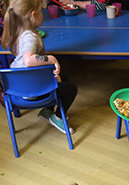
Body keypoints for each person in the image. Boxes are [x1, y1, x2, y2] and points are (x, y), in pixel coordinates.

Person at [1, 0, 78, 134]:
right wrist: (52, 59)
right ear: (32, 15)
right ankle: (57, 117)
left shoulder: (20, 32)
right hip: (32, 91)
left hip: (18, 88)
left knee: (63, 78)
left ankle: (47, 111)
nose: (43, 14)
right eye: (40, 12)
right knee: (71, 89)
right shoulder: (30, 37)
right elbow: (28, 60)